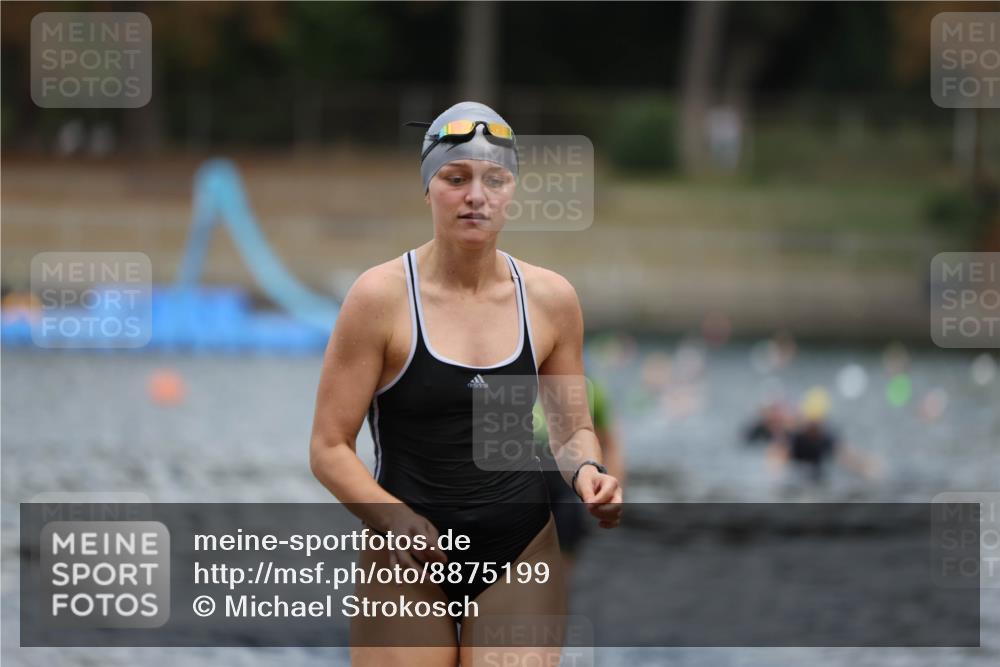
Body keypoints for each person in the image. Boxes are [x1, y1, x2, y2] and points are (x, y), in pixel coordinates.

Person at [308, 101, 623, 667]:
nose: (475, 195)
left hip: (520, 548)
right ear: (428, 188)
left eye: (494, 179)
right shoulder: (379, 299)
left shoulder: (551, 300)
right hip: (407, 557)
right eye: (456, 178)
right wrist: (392, 519)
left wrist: (590, 473)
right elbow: (329, 447)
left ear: (511, 192)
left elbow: (572, 428)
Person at [535, 375, 625, 573]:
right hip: (520, 494)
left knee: (560, 571)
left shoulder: (589, 386)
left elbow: (610, 443)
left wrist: (612, 495)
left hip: (566, 492)